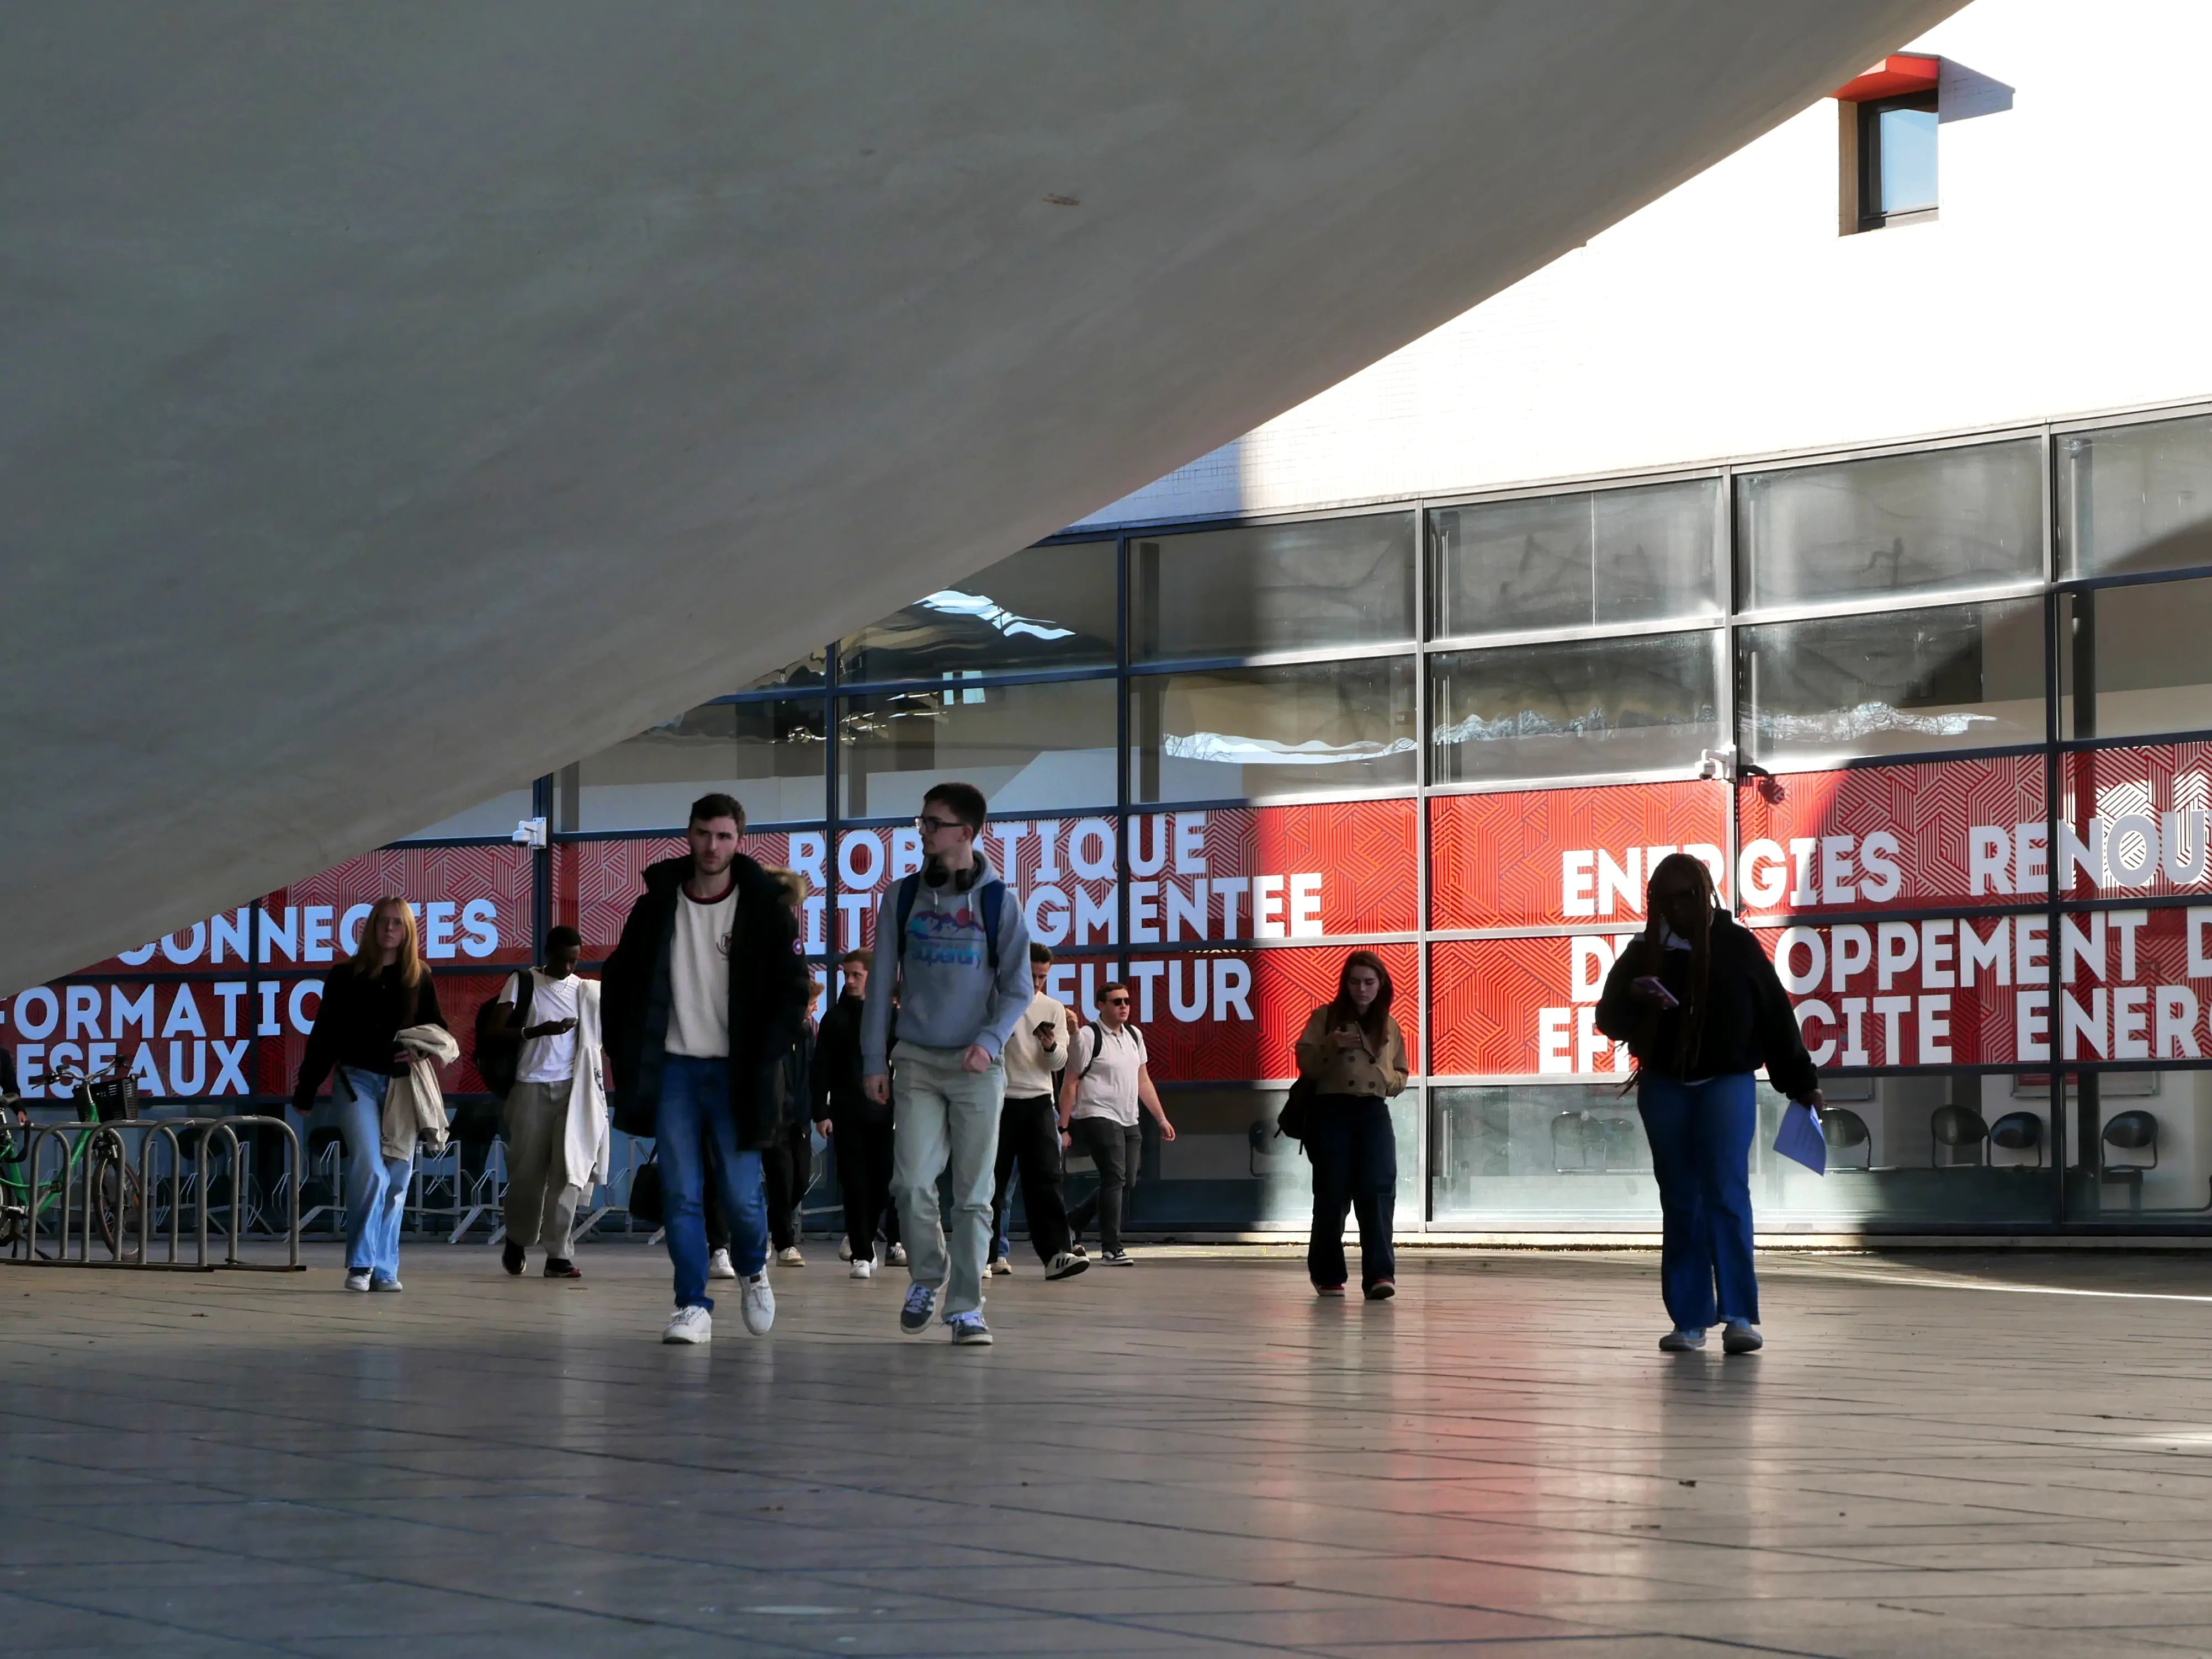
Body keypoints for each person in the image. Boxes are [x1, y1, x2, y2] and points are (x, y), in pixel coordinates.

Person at [1595, 850, 1823, 1355]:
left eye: (1687, 896)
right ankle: (1690, 1320)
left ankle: (1739, 1316)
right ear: (1654, 903)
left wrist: (1801, 1082)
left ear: (1705, 895)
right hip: (1664, 1086)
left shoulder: (1735, 944)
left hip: (1726, 1082)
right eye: (1666, 899)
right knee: (1680, 1200)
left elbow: (1774, 1016)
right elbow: (1608, 1020)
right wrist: (1635, 996)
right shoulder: (1643, 951)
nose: (1677, 908)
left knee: (1725, 1192)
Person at [603, 793, 808, 1345]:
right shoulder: (656, 906)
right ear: (688, 835)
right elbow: (620, 980)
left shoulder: (764, 909)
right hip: (673, 1070)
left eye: (723, 836)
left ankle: (753, 1268)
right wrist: (618, 1048)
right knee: (682, 1193)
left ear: (738, 841)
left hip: (737, 1074)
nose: (712, 847)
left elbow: (793, 991)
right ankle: (692, 1304)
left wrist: (769, 1049)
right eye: (703, 834)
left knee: (743, 1197)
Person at [861, 781, 1032, 1344]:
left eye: (934, 823)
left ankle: (965, 1308)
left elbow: (1017, 988)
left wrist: (988, 1039)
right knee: (910, 1182)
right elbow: (881, 980)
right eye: (922, 822)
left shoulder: (996, 902)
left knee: (974, 1193)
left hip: (975, 1067)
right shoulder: (902, 896)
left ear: (966, 831)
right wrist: (873, 1058)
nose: (924, 832)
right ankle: (926, 1276)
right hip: (914, 1057)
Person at [293, 896, 447, 1293]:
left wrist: (421, 1049)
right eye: (383, 922)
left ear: (408, 929)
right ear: (372, 928)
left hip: (403, 1085)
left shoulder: (419, 976)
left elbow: (438, 1028)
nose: (390, 929)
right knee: (372, 1169)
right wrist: (306, 1088)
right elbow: (324, 1034)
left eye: (397, 923)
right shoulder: (346, 975)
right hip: (356, 1080)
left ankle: (384, 1267)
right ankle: (361, 1264)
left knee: (397, 1177)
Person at [490, 925, 608, 1280]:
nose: (570, 967)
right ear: (548, 954)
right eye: (563, 960)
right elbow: (493, 1031)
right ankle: (519, 1238)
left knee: (568, 1173)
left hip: (573, 1091)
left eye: (575, 960)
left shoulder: (585, 991)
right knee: (527, 1175)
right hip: (530, 1089)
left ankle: (558, 1254)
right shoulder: (523, 982)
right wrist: (539, 1031)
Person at [1292, 950, 1410, 1301]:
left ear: (1381, 985)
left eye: (1370, 982)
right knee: (1332, 1193)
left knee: (1377, 1190)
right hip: (1331, 1111)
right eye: (1355, 981)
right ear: (1346, 984)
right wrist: (1332, 1044)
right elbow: (1306, 1063)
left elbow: (1401, 1074)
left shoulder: (1388, 1024)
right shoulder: (1325, 1017)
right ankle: (1328, 1274)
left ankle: (1379, 1275)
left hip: (1372, 1111)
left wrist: (1382, 1072)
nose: (1362, 989)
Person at [989, 943, 1089, 1280]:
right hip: (998, 1100)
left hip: (1038, 1100)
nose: (1036, 982)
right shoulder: (995, 1001)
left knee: (1047, 1178)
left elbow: (1059, 1061)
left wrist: (1049, 1046)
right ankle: (987, 1255)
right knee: (992, 1181)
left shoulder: (1053, 1008)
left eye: (1042, 977)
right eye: (1031, 975)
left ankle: (1056, 1254)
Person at [1062, 981, 1175, 1265]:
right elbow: (1071, 1081)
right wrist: (1063, 1126)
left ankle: (1073, 1220)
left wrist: (1160, 1117)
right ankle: (1111, 1247)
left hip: (1129, 1117)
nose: (1124, 1006)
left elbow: (1143, 1080)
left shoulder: (1134, 1036)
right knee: (1114, 1177)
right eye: (1116, 1002)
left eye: (1126, 1001)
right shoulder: (1088, 1036)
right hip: (1096, 1113)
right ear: (1101, 1006)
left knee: (1127, 1180)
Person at [814, 948, 901, 1279]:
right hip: (847, 1113)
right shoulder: (834, 1019)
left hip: (884, 1115)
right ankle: (861, 1254)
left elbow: (904, 1062)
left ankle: (864, 1238)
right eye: (846, 975)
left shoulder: (890, 1018)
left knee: (882, 1183)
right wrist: (821, 1112)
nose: (850, 981)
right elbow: (820, 1069)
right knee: (854, 1184)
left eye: (856, 975)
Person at [757, 868, 819, 1267]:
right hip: (771, 1102)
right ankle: (782, 1241)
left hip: (799, 1112)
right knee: (779, 1174)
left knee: (798, 1177)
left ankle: (769, 1227)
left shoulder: (808, 1030)